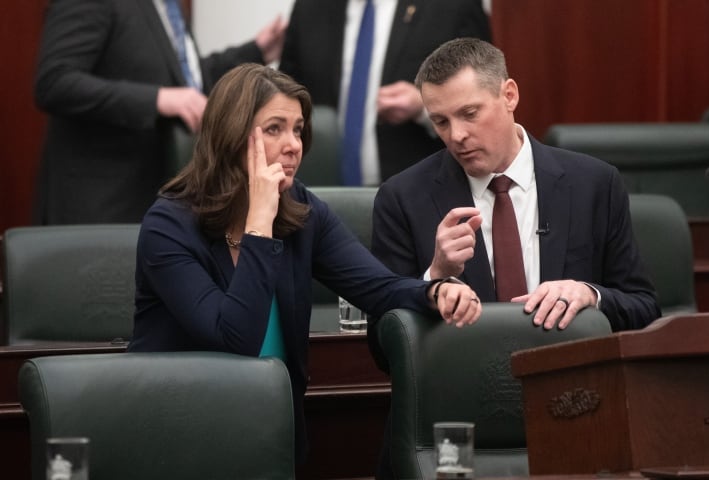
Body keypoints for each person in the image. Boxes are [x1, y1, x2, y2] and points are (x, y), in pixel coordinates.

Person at [127, 63, 482, 464]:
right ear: (232, 134)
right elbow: (234, 339)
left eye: (297, 129)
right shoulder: (168, 226)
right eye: (275, 128)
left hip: (273, 433)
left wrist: (435, 288)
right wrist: (259, 220)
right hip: (180, 436)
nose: (294, 144)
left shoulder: (301, 210)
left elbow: (378, 288)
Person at [371, 38, 662, 333]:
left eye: (469, 114)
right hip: (466, 374)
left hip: (571, 372)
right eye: (441, 122)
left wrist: (590, 295)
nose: (456, 135)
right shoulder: (403, 198)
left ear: (509, 95)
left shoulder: (594, 184)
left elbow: (644, 310)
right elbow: (384, 340)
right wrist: (433, 278)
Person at [33, 0, 287, 224]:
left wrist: (256, 51)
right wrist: (157, 99)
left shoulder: (169, 6)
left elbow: (186, 83)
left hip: (155, 197)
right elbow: (55, 82)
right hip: (98, 205)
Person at [278, 0, 491, 185]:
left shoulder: (453, 6)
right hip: (320, 192)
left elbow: (483, 91)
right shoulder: (310, 7)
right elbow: (286, 94)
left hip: (420, 191)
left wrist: (423, 106)